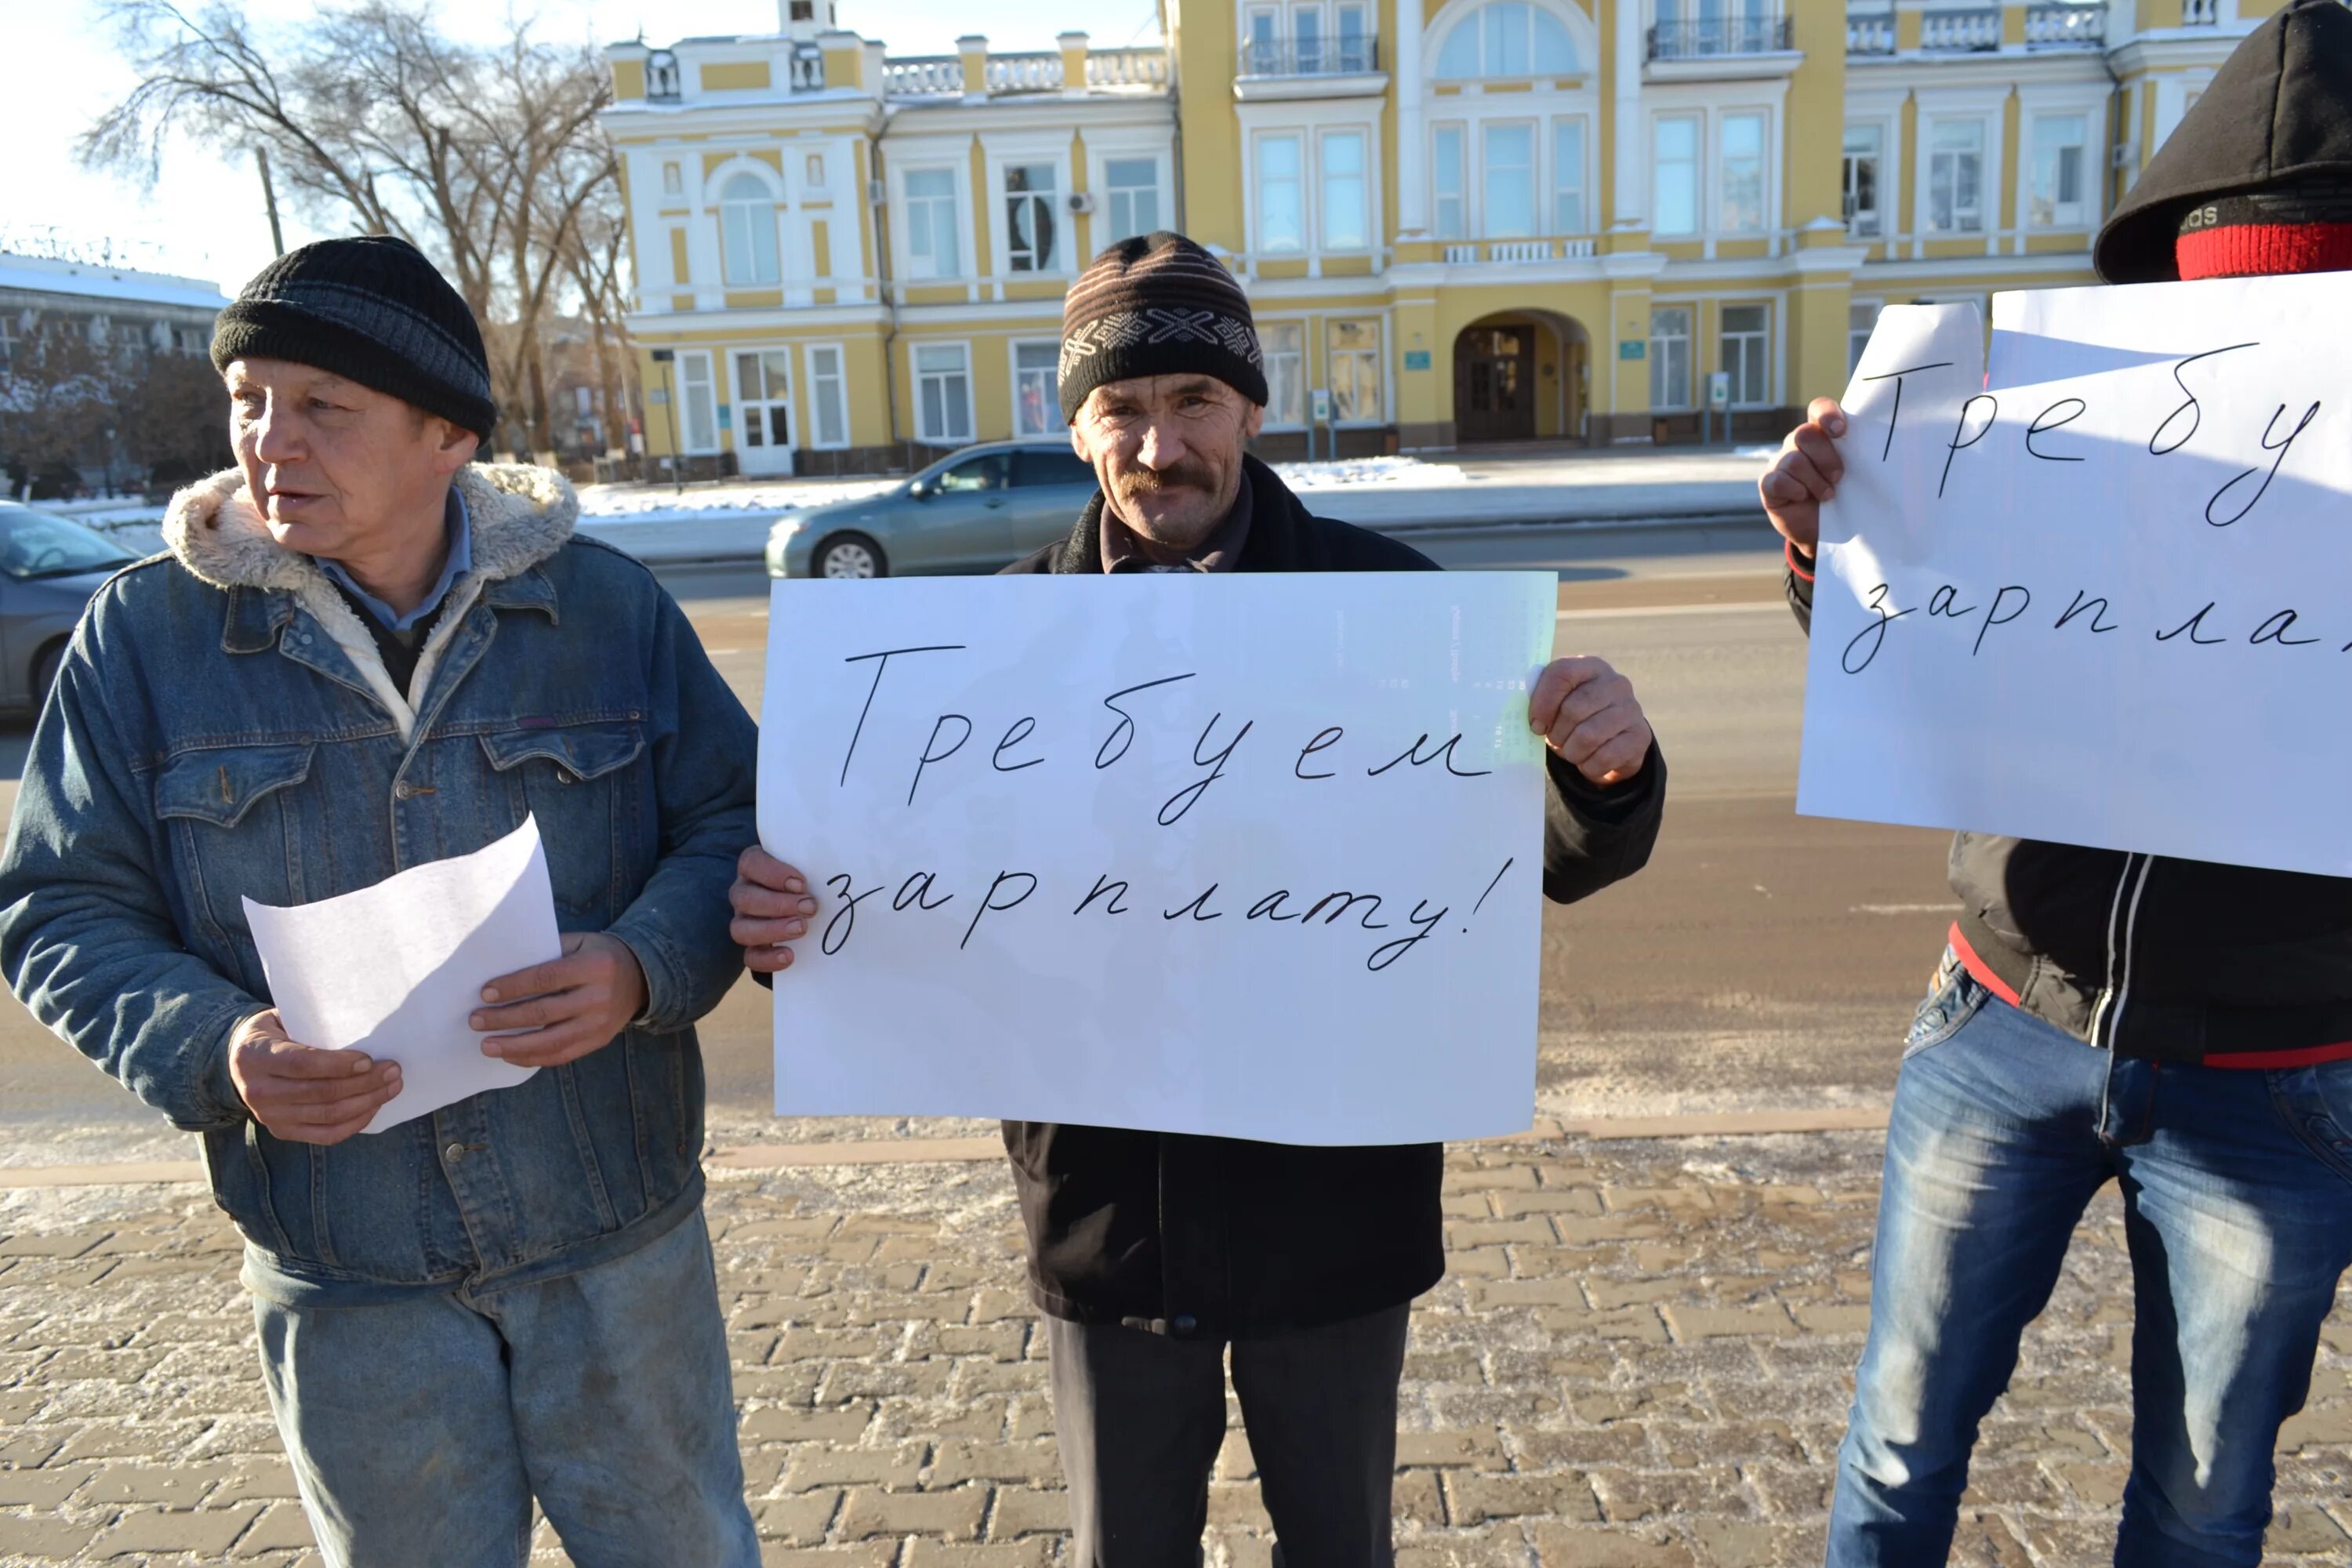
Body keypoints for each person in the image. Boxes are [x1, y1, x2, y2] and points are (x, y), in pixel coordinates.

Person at [731, 231, 1666, 1565]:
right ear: (1075, 428)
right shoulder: (979, 650)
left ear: (1252, 411)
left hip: (1333, 1214)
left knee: (1342, 1549)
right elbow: (886, 909)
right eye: (1121, 407)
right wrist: (786, 925)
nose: (1160, 447)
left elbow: (1561, 854)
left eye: (1193, 404)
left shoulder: (1395, 609)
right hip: (1112, 1224)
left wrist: (1611, 766)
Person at [0, 235, 761, 1566]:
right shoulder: (146, 640)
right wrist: (217, 1049)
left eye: (322, 409)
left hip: (614, 1243)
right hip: (345, 1273)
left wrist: (644, 963)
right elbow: (59, 907)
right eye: (249, 401)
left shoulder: (604, 609)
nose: (268, 442)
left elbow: (733, 828)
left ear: (446, 434)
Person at [1758, 5, 2352, 1563]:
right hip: (2003, 1015)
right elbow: (1931, 659)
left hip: (2283, 1073)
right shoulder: (2062, 428)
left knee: (2206, 1503)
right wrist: (1840, 541)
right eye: (2230, 317)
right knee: (1896, 1446)